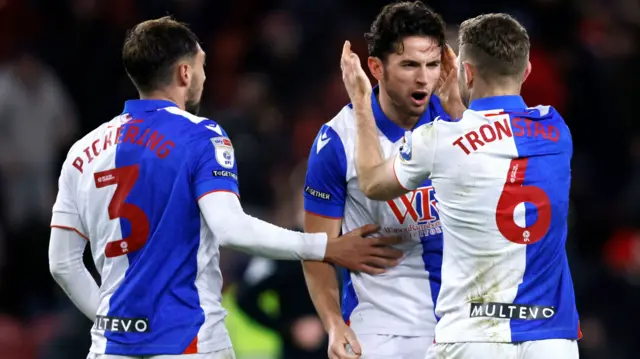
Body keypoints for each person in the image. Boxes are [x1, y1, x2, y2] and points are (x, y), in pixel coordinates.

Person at [47, 16, 403, 359]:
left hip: (110, 347)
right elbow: (231, 229)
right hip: (190, 341)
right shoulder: (202, 137)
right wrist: (325, 247)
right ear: (184, 72)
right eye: (202, 65)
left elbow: (63, 263)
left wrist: (115, 325)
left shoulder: (82, 152)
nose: (204, 75)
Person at [341, 12, 581, 359]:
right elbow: (489, 138)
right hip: (551, 339)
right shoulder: (557, 130)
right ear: (526, 71)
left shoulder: (439, 139)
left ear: (467, 72)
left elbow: (373, 183)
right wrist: (458, 97)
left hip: (472, 336)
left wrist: (361, 103)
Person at [302, 2, 452, 358]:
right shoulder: (337, 140)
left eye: (432, 65)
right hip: (380, 332)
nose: (423, 78)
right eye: (410, 65)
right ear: (376, 67)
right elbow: (315, 251)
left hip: (460, 325)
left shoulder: (459, 126)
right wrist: (334, 324)